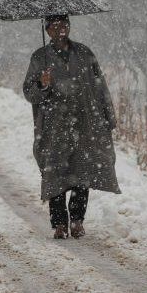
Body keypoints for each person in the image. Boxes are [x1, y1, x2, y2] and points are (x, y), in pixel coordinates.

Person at [22, 14, 120, 239]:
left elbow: (99, 85)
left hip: (85, 122)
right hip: (54, 126)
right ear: (47, 30)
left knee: (81, 172)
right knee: (56, 172)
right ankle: (59, 224)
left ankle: (77, 220)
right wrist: (42, 84)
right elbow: (29, 92)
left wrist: (107, 117)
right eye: (55, 26)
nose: (61, 30)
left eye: (64, 25)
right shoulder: (40, 58)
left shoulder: (85, 54)